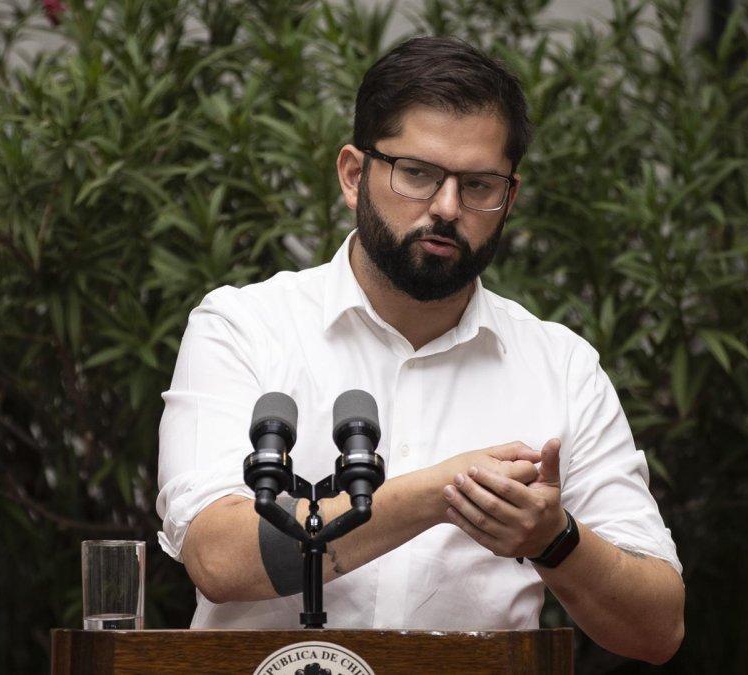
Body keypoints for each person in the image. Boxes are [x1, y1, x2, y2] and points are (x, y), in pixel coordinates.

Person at [155, 37, 684, 664]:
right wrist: (440, 492)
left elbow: (657, 629)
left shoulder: (562, 367)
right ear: (354, 175)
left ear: (509, 198)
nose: (447, 208)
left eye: (479, 184)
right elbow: (217, 557)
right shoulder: (245, 327)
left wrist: (555, 539)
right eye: (418, 174)